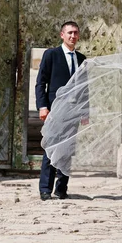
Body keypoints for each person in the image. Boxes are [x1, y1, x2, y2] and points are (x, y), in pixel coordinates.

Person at [36, 21, 86, 201]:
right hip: (54, 110)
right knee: (51, 148)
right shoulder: (51, 55)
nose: (73, 36)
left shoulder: (81, 59)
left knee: (68, 150)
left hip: (73, 112)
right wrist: (43, 106)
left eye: (76, 33)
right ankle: (45, 189)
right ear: (62, 35)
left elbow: (84, 87)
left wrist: (85, 112)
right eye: (70, 33)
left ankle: (61, 188)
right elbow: (41, 82)